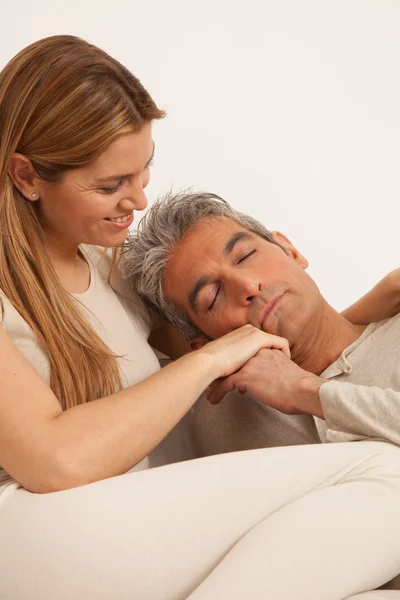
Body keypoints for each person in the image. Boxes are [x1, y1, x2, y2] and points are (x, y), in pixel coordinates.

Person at [1, 35, 400, 600]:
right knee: (388, 473)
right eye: (111, 185)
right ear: (26, 177)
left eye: (143, 172)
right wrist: (220, 356)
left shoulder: (111, 265)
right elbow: (54, 462)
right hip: (34, 531)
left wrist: (368, 307)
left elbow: (245, 329)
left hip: (138, 533)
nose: (137, 201)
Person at [126, 191, 400, 450]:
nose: (247, 286)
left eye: (246, 256)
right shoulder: (221, 411)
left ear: (289, 249)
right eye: (213, 296)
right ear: (206, 344)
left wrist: (303, 390)